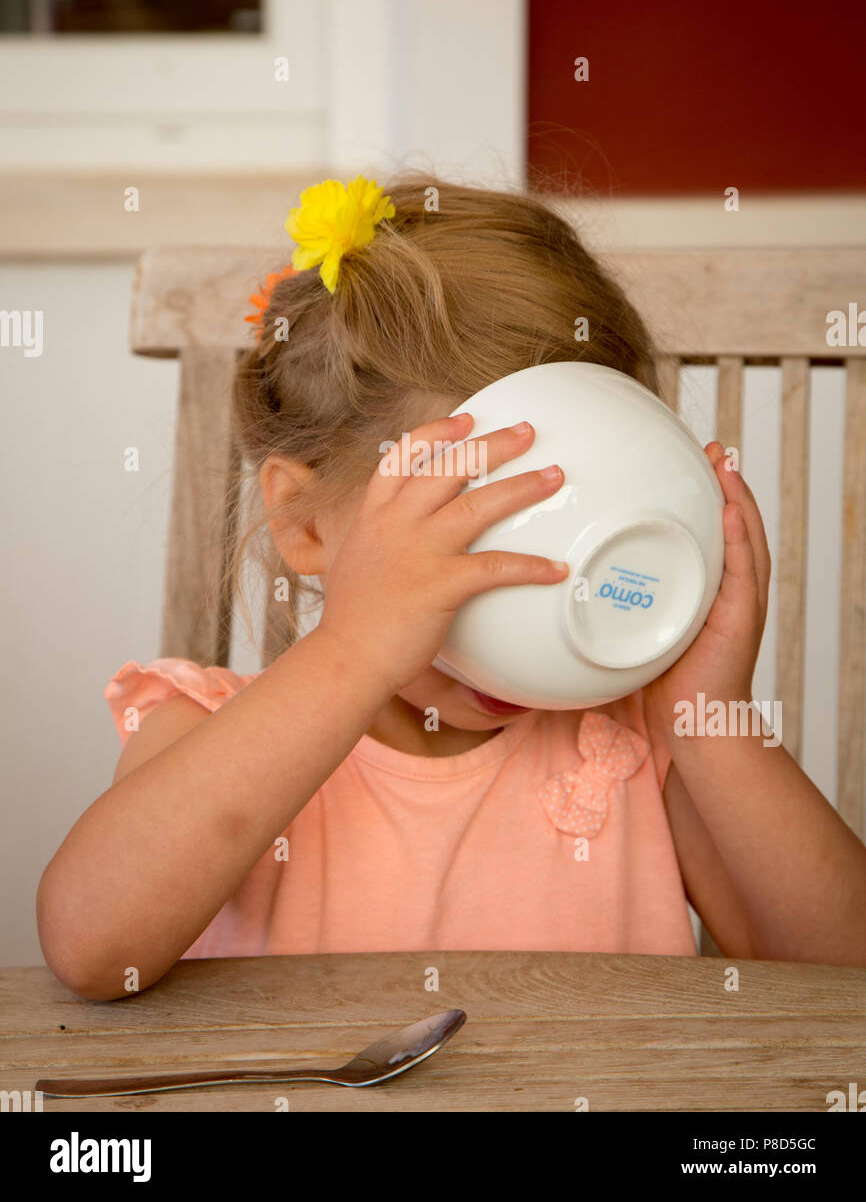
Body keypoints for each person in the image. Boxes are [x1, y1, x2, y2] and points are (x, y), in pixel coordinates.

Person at [36, 173, 866, 1000]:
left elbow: (839, 981)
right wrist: (354, 652)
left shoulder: (646, 745)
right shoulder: (205, 728)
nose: (545, 593)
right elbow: (92, 949)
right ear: (307, 523)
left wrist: (710, 712)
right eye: (463, 540)